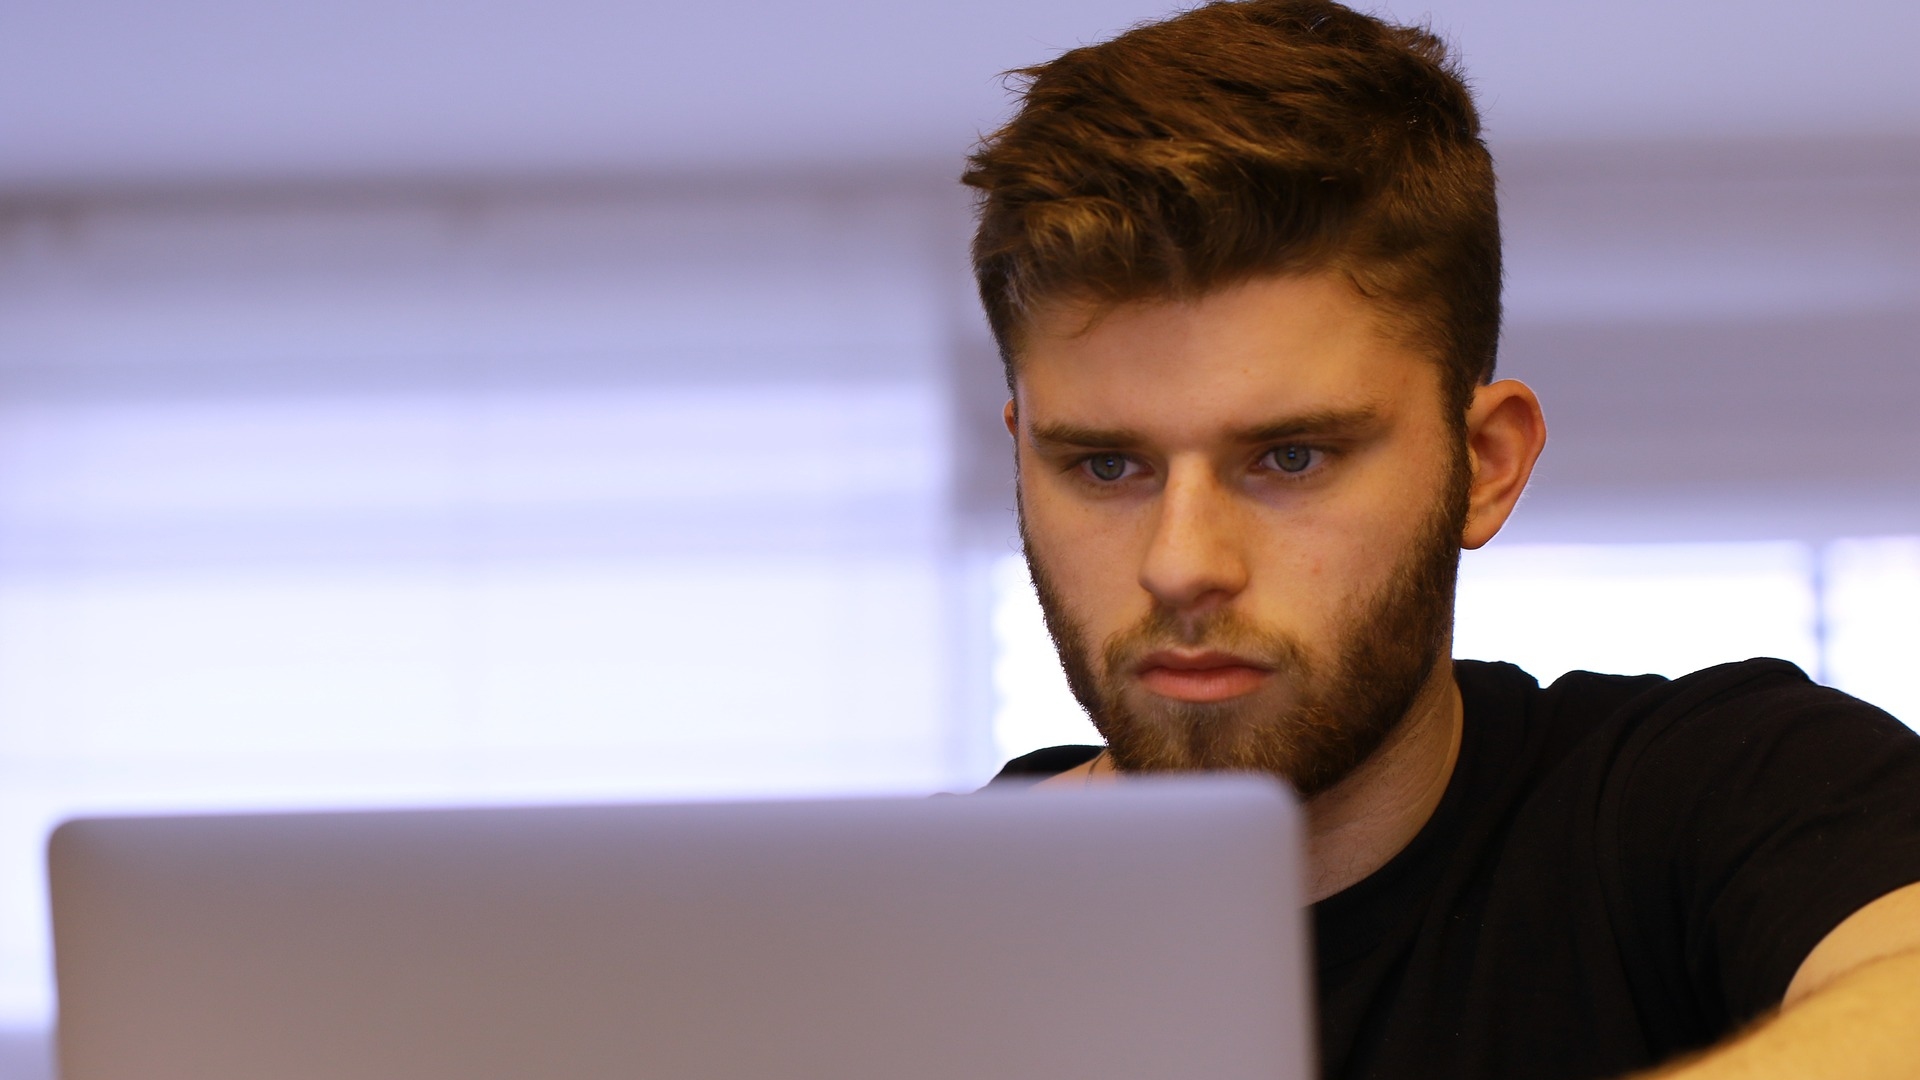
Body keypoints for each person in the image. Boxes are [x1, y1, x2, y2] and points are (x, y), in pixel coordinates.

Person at [960, 2, 1920, 1078]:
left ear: (1488, 464)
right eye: (1105, 466)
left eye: (1291, 457)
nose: (1182, 563)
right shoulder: (914, 920)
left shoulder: (1716, 791)